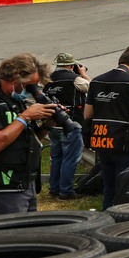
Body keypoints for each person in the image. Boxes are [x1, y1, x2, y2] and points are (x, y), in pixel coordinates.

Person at [0, 53, 62, 216]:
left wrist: (47, 124)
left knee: (27, 238)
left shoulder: (15, 101)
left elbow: (28, 139)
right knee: (8, 239)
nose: (31, 92)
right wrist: (26, 116)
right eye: (29, 86)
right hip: (2, 189)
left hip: (26, 184)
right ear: (14, 79)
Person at [85, 45, 129, 210]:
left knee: (109, 188)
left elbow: (87, 114)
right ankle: (124, 226)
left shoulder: (97, 81)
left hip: (103, 143)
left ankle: (106, 221)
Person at [44, 53, 90, 200]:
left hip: (52, 125)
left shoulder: (48, 80)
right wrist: (83, 74)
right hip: (71, 124)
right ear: (71, 66)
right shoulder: (75, 79)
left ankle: (54, 189)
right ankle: (66, 192)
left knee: (56, 158)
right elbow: (94, 88)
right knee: (70, 159)